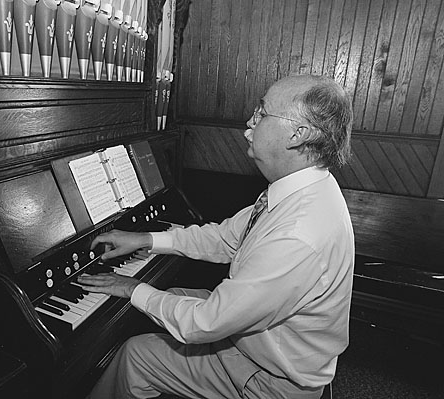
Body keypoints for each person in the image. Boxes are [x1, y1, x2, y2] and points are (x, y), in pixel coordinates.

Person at [78, 74, 355, 399]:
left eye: (263, 112)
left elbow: (206, 323)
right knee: (170, 294)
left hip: (270, 381)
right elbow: (225, 238)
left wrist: (132, 287)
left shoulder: (298, 234)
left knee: (136, 355)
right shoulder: (299, 189)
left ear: (298, 134)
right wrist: (146, 240)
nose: (250, 121)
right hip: (263, 346)